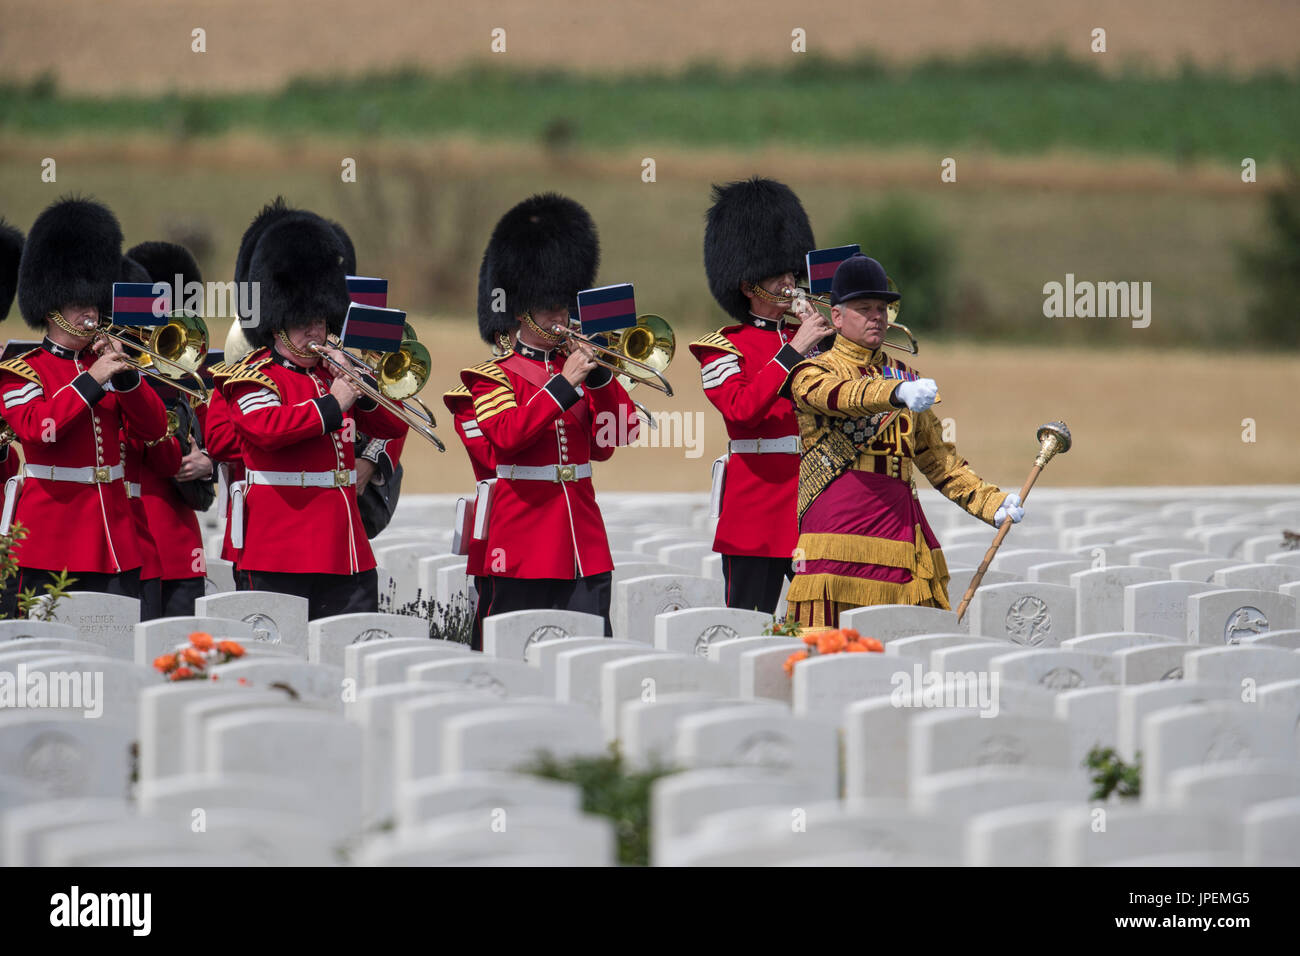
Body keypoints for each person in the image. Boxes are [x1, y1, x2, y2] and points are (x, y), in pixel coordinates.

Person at [782, 254, 1024, 628]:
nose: (877, 316)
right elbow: (840, 397)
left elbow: (939, 460)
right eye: (864, 308)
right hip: (833, 539)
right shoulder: (813, 372)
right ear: (838, 317)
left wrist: (991, 503)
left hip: (897, 535)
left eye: (882, 308)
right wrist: (896, 393)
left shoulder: (908, 378)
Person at [461, 193, 639, 635]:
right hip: (521, 543)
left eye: (564, 304)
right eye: (548, 306)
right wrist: (563, 386)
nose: (560, 315)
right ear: (522, 310)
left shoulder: (580, 369)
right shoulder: (492, 376)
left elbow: (617, 438)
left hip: (583, 540)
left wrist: (599, 381)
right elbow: (506, 435)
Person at [221, 201, 407, 618]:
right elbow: (267, 429)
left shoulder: (335, 373)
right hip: (280, 549)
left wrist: (362, 383)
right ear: (276, 322)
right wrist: (335, 402)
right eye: (303, 320)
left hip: (345, 548)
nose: (315, 329)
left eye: (321, 319)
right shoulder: (255, 375)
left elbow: (394, 424)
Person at [0, 197, 168, 612]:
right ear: (51, 306)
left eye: (94, 302)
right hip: (51, 537)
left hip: (113, 534)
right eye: (79, 304)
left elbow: (153, 430)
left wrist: (128, 379)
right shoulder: (22, 372)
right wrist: (92, 379)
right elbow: (42, 430)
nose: (91, 312)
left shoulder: (111, 367)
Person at [691, 177, 834, 615]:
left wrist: (829, 345)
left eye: (793, 272)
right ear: (749, 284)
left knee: (825, 624)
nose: (792, 282)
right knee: (746, 626)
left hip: (815, 506)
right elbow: (742, 411)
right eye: (779, 275)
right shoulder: (723, 346)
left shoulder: (813, 339)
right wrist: (794, 350)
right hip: (754, 514)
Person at [126, 240, 214, 617]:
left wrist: (207, 461)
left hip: (179, 528)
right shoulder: (119, 377)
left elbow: (221, 440)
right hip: (132, 522)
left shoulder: (195, 379)